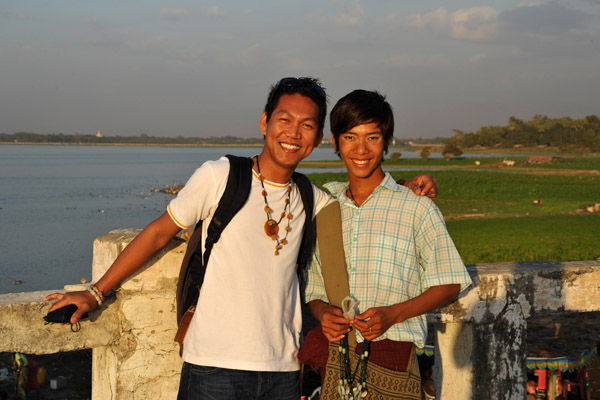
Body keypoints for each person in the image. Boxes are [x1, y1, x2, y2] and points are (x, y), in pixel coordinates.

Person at [45, 78, 437, 399]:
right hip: (214, 367)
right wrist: (95, 293)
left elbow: (358, 198)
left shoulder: (311, 197)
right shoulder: (220, 176)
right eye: (285, 120)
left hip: (284, 370)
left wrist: (403, 186)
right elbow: (159, 233)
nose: (293, 133)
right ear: (265, 122)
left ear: (318, 138)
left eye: (307, 125)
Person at [303, 89, 472, 398]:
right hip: (335, 361)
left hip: (395, 361)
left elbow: (449, 284)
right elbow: (314, 287)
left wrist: (393, 315)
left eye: (373, 137)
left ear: (387, 142)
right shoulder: (325, 207)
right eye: (350, 137)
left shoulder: (416, 208)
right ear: (335, 141)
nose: (361, 149)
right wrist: (325, 314)